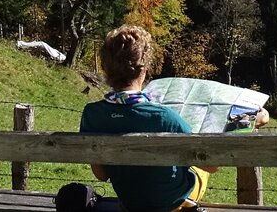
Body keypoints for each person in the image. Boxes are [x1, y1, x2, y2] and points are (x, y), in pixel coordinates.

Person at [80, 25, 215, 212]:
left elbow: (101, 175)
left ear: (106, 69)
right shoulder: (165, 117)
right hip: (170, 204)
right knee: (200, 170)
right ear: (143, 70)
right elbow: (212, 165)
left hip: (130, 202)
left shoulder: (92, 114)